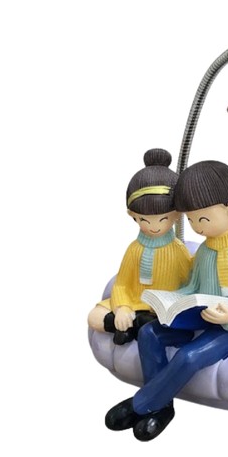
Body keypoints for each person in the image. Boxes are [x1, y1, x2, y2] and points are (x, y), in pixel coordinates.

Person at [105, 159, 228, 439]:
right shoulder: (204, 252)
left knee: (189, 356)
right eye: (191, 220)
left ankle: (142, 404)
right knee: (149, 333)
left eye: (202, 219)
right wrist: (169, 300)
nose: (197, 227)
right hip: (201, 315)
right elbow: (192, 287)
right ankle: (162, 407)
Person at [87, 148, 191, 345]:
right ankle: (133, 325)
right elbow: (122, 283)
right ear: (132, 215)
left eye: (163, 219)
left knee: (164, 321)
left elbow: (189, 283)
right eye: (144, 220)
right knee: (94, 317)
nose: (154, 226)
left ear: (177, 215)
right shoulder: (134, 249)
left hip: (158, 308)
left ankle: (134, 327)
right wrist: (122, 308)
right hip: (132, 303)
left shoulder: (178, 250)